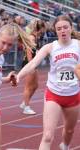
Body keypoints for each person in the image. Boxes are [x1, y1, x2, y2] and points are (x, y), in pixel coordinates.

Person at [17, 15, 80, 150]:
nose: (62, 31)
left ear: (71, 28)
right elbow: (32, 63)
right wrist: (19, 76)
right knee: (47, 135)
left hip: (73, 95)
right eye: (59, 29)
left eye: (65, 27)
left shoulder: (78, 45)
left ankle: (65, 145)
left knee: (69, 131)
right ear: (55, 31)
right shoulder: (50, 47)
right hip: (54, 94)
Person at [20, 19, 46, 115]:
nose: (43, 32)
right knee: (28, 87)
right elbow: (28, 51)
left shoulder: (36, 37)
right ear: (39, 29)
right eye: (43, 29)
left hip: (33, 63)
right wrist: (30, 64)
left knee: (35, 86)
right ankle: (26, 107)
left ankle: (24, 103)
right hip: (29, 63)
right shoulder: (31, 37)